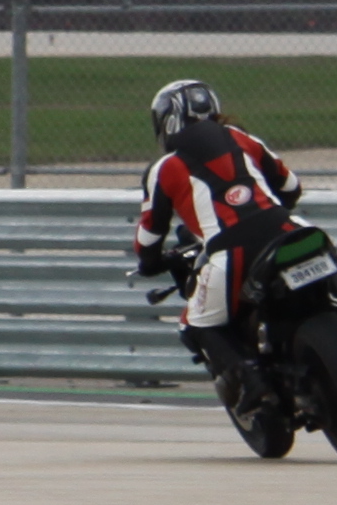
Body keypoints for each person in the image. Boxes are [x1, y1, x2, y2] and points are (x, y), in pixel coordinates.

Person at [130, 76, 304, 384]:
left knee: (194, 324)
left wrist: (151, 263)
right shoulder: (242, 138)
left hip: (231, 251)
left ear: (167, 121)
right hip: (286, 229)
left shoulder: (164, 168)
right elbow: (291, 188)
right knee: (329, 253)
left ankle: (253, 383)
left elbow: (149, 238)